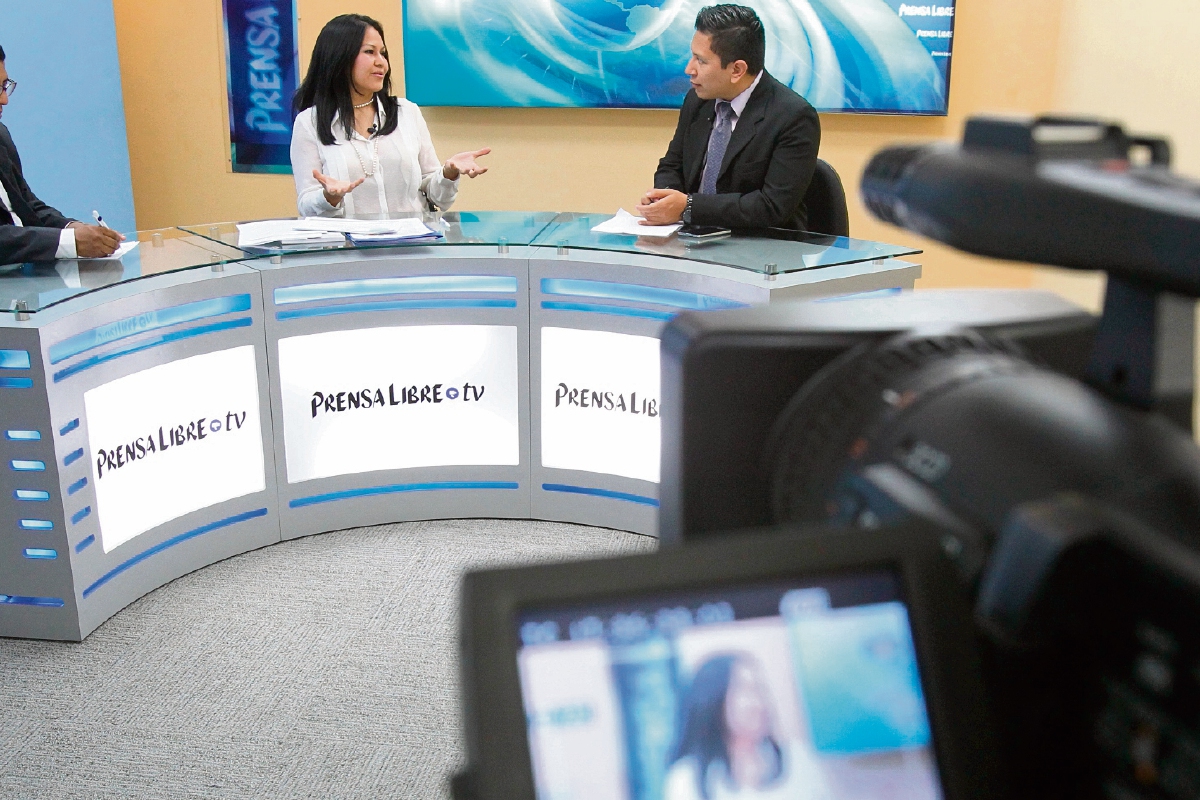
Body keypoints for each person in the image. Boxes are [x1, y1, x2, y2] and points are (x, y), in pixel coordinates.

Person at [637, 5, 821, 232]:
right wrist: (665, 199)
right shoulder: (697, 101)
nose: (689, 69)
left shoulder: (793, 116)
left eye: (701, 61)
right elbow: (671, 165)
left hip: (763, 251)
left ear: (737, 70)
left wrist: (688, 206)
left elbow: (772, 207)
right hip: (693, 243)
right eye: (691, 56)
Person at [290, 14, 490, 219]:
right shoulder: (309, 123)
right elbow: (306, 204)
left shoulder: (407, 112)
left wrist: (448, 173)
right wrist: (328, 197)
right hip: (348, 248)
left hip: (412, 246)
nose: (382, 63)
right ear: (339, 57)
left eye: (383, 54)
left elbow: (438, 197)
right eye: (370, 52)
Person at [0, 46, 122, 263]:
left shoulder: (1, 135)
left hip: (25, 285)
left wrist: (72, 227)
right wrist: (69, 241)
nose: (5, 100)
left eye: (4, 86)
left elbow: (27, 205)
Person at [664, 653, 831, 800]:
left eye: (761, 689)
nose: (759, 702)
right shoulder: (685, 779)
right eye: (747, 689)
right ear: (714, 700)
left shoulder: (798, 760)